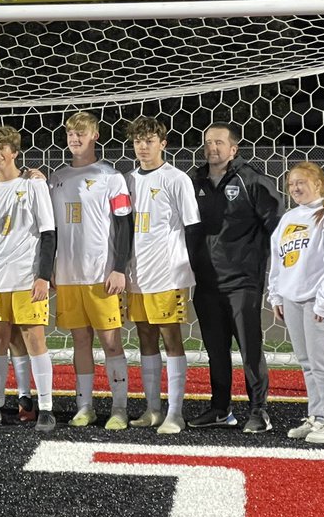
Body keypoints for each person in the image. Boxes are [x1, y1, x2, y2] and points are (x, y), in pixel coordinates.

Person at [187, 122, 282, 433]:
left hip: (243, 281)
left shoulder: (252, 180)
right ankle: (220, 409)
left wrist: (277, 276)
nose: (212, 147)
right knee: (215, 350)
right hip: (205, 282)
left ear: (233, 148)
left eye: (219, 142)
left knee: (249, 349)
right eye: (207, 142)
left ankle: (259, 410)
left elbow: (277, 228)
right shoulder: (193, 180)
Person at [0, 126, 57, 432]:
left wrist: (43, 276)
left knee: (34, 339)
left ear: (14, 152)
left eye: (1, 148)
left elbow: (48, 233)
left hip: (26, 277)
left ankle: (46, 409)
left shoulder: (33, 185)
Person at [48, 112, 134, 429]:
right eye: (71, 133)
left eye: (81, 133)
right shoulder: (56, 178)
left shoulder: (112, 177)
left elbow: (124, 225)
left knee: (111, 343)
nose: (75, 138)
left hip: (102, 276)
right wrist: (50, 267)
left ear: (95, 135)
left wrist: (119, 268)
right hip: (68, 276)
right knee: (80, 342)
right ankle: (85, 407)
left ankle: (120, 408)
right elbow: (50, 228)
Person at [268, 163, 324, 444]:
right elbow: (278, 259)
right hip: (293, 299)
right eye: (291, 183)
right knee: (307, 362)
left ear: (318, 184)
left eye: (301, 182)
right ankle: (317, 417)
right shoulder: (289, 218)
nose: (294, 188)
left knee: (322, 360)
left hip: (322, 298)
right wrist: (276, 294)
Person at [124, 117, 200, 435]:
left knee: (171, 338)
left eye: (150, 140)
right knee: (144, 336)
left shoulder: (176, 179)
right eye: (138, 141)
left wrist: (193, 268)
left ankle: (175, 413)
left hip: (167, 274)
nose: (143, 146)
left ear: (163, 144)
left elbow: (193, 227)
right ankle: (153, 409)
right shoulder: (127, 180)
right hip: (137, 274)